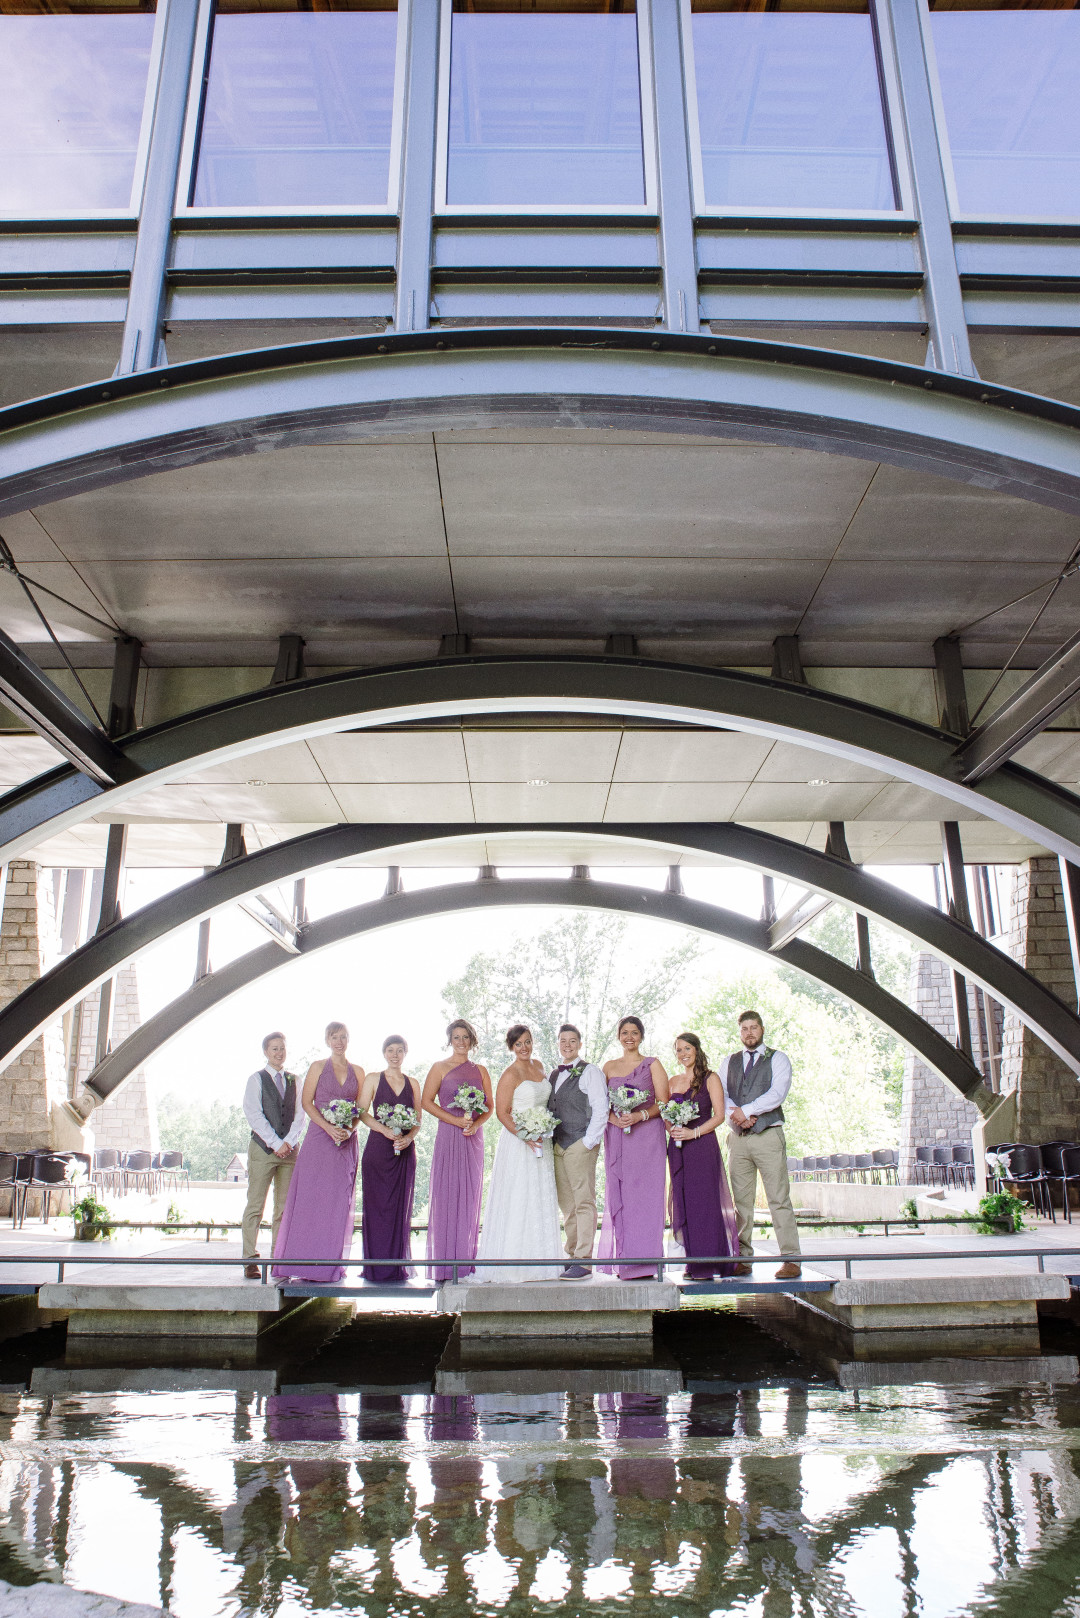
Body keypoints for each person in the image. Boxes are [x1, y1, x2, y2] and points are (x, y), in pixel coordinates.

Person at [272, 1022, 363, 1284]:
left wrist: (349, 1129)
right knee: (312, 1199)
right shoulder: (317, 1067)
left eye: (343, 1037)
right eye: (334, 1037)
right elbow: (306, 1103)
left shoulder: (358, 1071)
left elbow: (360, 1108)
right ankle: (302, 1262)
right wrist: (328, 1127)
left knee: (337, 1201)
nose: (339, 1041)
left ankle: (330, 1266)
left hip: (346, 1141)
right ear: (327, 1040)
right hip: (319, 1140)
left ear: (349, 1039)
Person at [474, 1023, 563, 1284]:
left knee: (539, 1195)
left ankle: (544, 1262)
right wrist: (525, 1135)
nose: (524, 1047)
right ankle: (513, 1262)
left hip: (542, 1140)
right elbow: (502, 1113)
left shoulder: (539, 1066)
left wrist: (542, 1129)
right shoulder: (510, 1074)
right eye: (518, 1044)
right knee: (519, 1195)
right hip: (519, 1141)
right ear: (511, 1047)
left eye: (527, 1041)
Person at [722, 1009, 802, 1280]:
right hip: (738, 1139)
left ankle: (791, 1259)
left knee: (778, 1198)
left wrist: (748, 1110)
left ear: (762, 1029)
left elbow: (777, 1093)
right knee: (741, 1202)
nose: (749, 1033)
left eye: (754, 1027)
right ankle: (743, 1258)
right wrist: (737, 1115)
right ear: (740, 1032)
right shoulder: (729, 1062)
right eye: (744, 1028)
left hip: (768, 1135)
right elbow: (720, 1095)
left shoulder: (778, 1058)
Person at [597, 1015, 669, 1281]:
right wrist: (613, 1118)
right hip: (618, 1137)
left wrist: (639, 1116)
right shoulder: (608, 1067)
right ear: (618, 1036)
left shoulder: (653, 1065)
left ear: (641, 1036)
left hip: (647, 1138)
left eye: (634, 1032)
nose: (629, 1037)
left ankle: (648, 1264)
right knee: (623, 1199)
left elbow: (663, 1103)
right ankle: (626, 1264)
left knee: (646, 1199)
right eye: (625, 1032)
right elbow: (599, 1104)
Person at [422, 1018, 494, 1281]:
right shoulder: (439, 1067)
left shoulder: (482, 1070)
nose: (461, 1042)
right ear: (449, 1040)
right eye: (456, 1037)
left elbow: (489, 1106)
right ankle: (443, 1264)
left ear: (472, 1040)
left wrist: (475, 1124)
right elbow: (426, 1102)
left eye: (466, 1037)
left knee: (469, 1195)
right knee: (446, 1194)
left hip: (471, 1137)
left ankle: (465, 1263)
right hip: (449, 1135)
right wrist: (455, 1120)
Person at [664, 1032, 739, 1280]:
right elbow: (666, 1114)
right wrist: (674, 1130)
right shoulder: (673, 1081)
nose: (683, 1054)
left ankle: (707, 1264)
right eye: (678, 1050)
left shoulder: (710, 1078)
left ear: (696, 1049)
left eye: (687, 1048)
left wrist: (692, 1132)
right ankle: (692, 1261)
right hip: (678, 1149)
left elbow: (719, 1116)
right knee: (683, 1202)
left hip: (701, 1145)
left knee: (704, 1204)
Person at [240, 1030, 306, 1279]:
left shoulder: (295, 1080)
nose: (280, 1052)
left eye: (283, 1048)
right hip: (262, 1149)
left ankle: (279, 1259)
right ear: (266, 1052)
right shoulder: (256, 1079)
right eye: (275, 1048)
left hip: (289, 1152)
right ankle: (250, 1259)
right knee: (255, 1205)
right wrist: (275, 1142)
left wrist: (287, 1142)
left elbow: (300, 1116)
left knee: (283, 1207)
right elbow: (253, 1114)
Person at [358, 1035, 422, 1284]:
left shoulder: (413, 1083)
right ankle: (375, 1268)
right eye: (390, 1050)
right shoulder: (373, 1078)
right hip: (377, 1151)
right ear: (384, 1053)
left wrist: (408, 1138)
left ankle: (396, 1268)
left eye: (399, 1051)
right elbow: (362, 1113)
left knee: (399, 1209)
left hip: (404, 1151)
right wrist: (384, 1130)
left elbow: (417, 1120)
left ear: (405, 1053)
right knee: (376, 1208)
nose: (395, 1055)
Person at [548, 1022, 608, 1279]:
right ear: (559, 1044)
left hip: (580, 1143)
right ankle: (571, 1253)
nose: (568, 1045)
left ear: (580, 1044)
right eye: (563, 1041)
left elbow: (600, 1108)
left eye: (573, 1041)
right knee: (567, 1205)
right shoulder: (553, 1075)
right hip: (557, 1145)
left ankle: (584, 1261)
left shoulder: (590, 1071)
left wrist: (588, 1142)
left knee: (583, 1202)